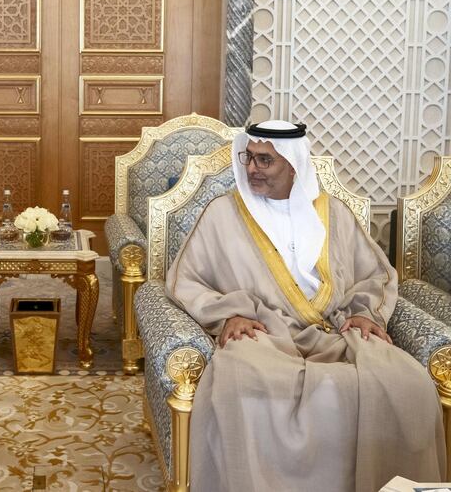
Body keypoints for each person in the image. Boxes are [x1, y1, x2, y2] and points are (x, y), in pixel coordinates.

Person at [165, 120, 445, 492]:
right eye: (248, 158)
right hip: (263, 332)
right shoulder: (222, 214)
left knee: (406, 383)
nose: (252, 169)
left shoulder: (334, 214)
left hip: (338, 329)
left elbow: (373, 274)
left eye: (265, 161)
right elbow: (186, 280)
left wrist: (365, 311)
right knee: (241, 381)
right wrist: (227, 314)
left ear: (293, 164)